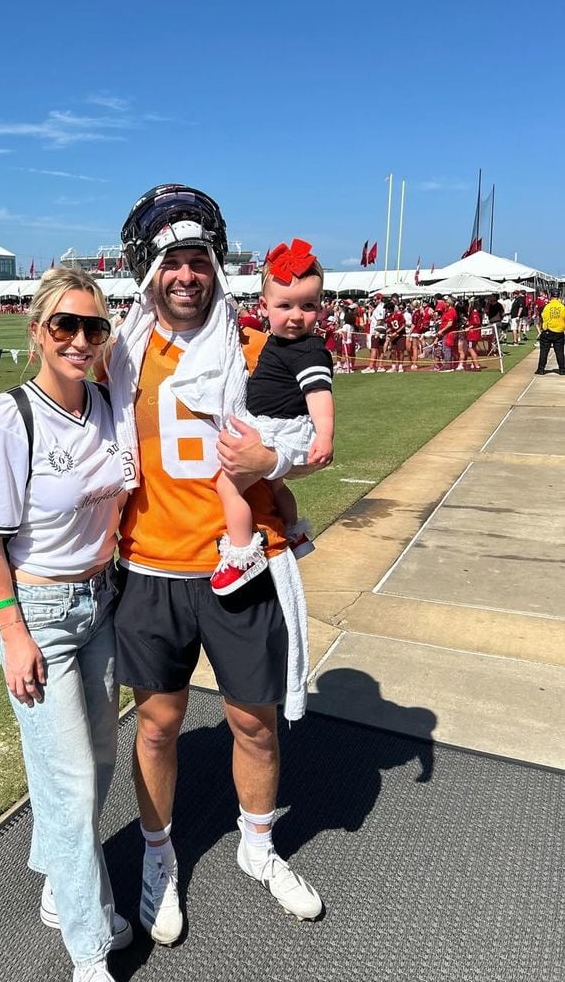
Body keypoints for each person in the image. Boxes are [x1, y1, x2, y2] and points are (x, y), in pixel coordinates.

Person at [109, 184, 324, 949]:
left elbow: (305, 437)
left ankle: (258, 845)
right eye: (173, 261)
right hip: (151, 566)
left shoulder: (258, 345)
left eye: (198, 260)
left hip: (240, 564)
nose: (186, 275)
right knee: (159, 724)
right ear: (149, 271)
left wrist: (277, 458)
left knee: (252, 723)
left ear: (215, 267)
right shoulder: (119, 351)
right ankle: (160, 858)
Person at [0, 267, 129, 982]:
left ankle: (59, 887)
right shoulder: (9, 419)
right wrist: (12, 632)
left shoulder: (106, 401)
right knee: (68, 783)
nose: (79, 339)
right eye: (64, 324)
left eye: (92, 327)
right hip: (40, 612)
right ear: (36, 332)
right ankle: (88, 948)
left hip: (102, 601)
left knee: (94, 766)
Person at [210, 240, 334, 594]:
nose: (296, 316)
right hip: (278, 424)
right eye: (286, 306)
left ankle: (240, 552)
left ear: (320, 308)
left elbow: (319, 396)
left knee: (227, 483)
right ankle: (294, 532)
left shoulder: (308, 350)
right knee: (276, 485)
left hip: (281, 427)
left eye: (307, 306)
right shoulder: (279, 344)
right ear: (264, 307)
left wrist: (324, 436)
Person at [535, 294, 565, 375]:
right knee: (560, 352)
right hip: (559, 331)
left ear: (551, 296)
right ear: (559, 297)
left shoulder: (547, 306)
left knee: (544, 352)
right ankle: (562, 369)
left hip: (547, 331)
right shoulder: (562, 307)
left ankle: (541, 369)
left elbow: (543, 317)